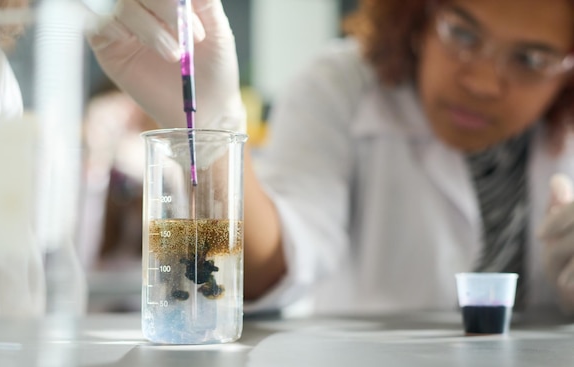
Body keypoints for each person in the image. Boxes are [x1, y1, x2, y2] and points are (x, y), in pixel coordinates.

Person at [90, 0, 574, 315]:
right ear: (418, 16)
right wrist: (211, 132)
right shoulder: (340, 87)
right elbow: (267, 269)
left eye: (532, 60)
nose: (483, 82)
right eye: (462, 33)